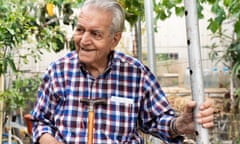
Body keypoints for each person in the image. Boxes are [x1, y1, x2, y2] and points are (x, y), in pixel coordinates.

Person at [31, 0, 214, 143]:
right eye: (80, 30)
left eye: (95, 34)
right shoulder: (58, 72)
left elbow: (157, 121)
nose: (84, 40)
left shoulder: (136, 74)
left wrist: (180, 124)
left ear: (114, 40)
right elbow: (40, 121)